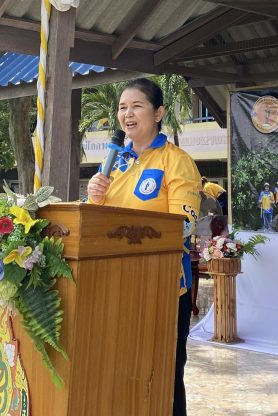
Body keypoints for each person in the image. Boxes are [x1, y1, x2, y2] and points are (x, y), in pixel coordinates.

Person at [86, 78, 201, 416]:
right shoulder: (112, 163)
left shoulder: (175, 161)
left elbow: (183, 225)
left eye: (137, 106)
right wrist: (93, 199)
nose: (128, 114)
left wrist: (129, 233)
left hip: (163, 287)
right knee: (119, 372)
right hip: (114, 286)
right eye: (123, 107)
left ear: (159, 113)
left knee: (163, 376)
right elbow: (91, 228)